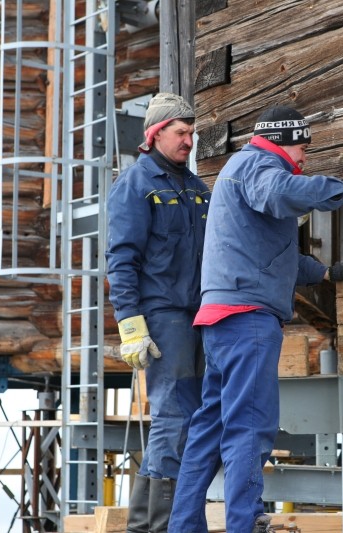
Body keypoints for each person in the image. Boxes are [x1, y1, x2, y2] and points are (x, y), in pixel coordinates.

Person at [168, 105, 343, 533]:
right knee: (251, 422)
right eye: (303, 148)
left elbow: (271, 254)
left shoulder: (240, 170)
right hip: (248, 319)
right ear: (285, 141)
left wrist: (325, 272)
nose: (304, 158)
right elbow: (282, 192)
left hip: (222, 318)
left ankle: (183, 526)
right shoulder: (259, 166)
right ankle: (246, 522)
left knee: (209, 428)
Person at [105, 92, 210, 533]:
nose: (189, 141)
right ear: (155, 133)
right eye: (181, 133)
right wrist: (130, 326)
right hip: (163, 315)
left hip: (202, 316)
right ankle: (152, 525)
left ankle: (171, 519)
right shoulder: (136, 185)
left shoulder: (198, 189)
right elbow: (121, 259)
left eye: (192, 133)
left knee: (199, 415)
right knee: (174, 414)